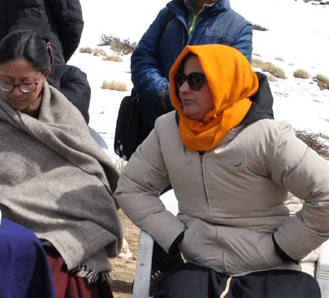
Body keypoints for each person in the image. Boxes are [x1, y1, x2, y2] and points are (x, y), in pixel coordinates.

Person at [117, 45, 329, 297]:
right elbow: (132, 188)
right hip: (202, 266)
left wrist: (282, 247)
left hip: (276, 269)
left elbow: (325, 194)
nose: (183, 88)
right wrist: (176, 236)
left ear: (225, 83)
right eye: (180, 79)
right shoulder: (168, 130)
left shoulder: (268, 136)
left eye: (196, 81)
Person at [0, 31, 121, 298]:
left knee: (64, 259)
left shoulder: (64, 115)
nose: (15, 92)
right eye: (6, 82)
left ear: (45, 76)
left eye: (27, 84)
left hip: (64, 225)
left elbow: (91, 175)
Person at [130, 0, 253, 131]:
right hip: (154, 122)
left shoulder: (238, 28)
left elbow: (234, 82)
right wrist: (165, 94)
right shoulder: (169, 14)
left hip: (202, 131)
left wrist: (188, 99)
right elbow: (142, 57)